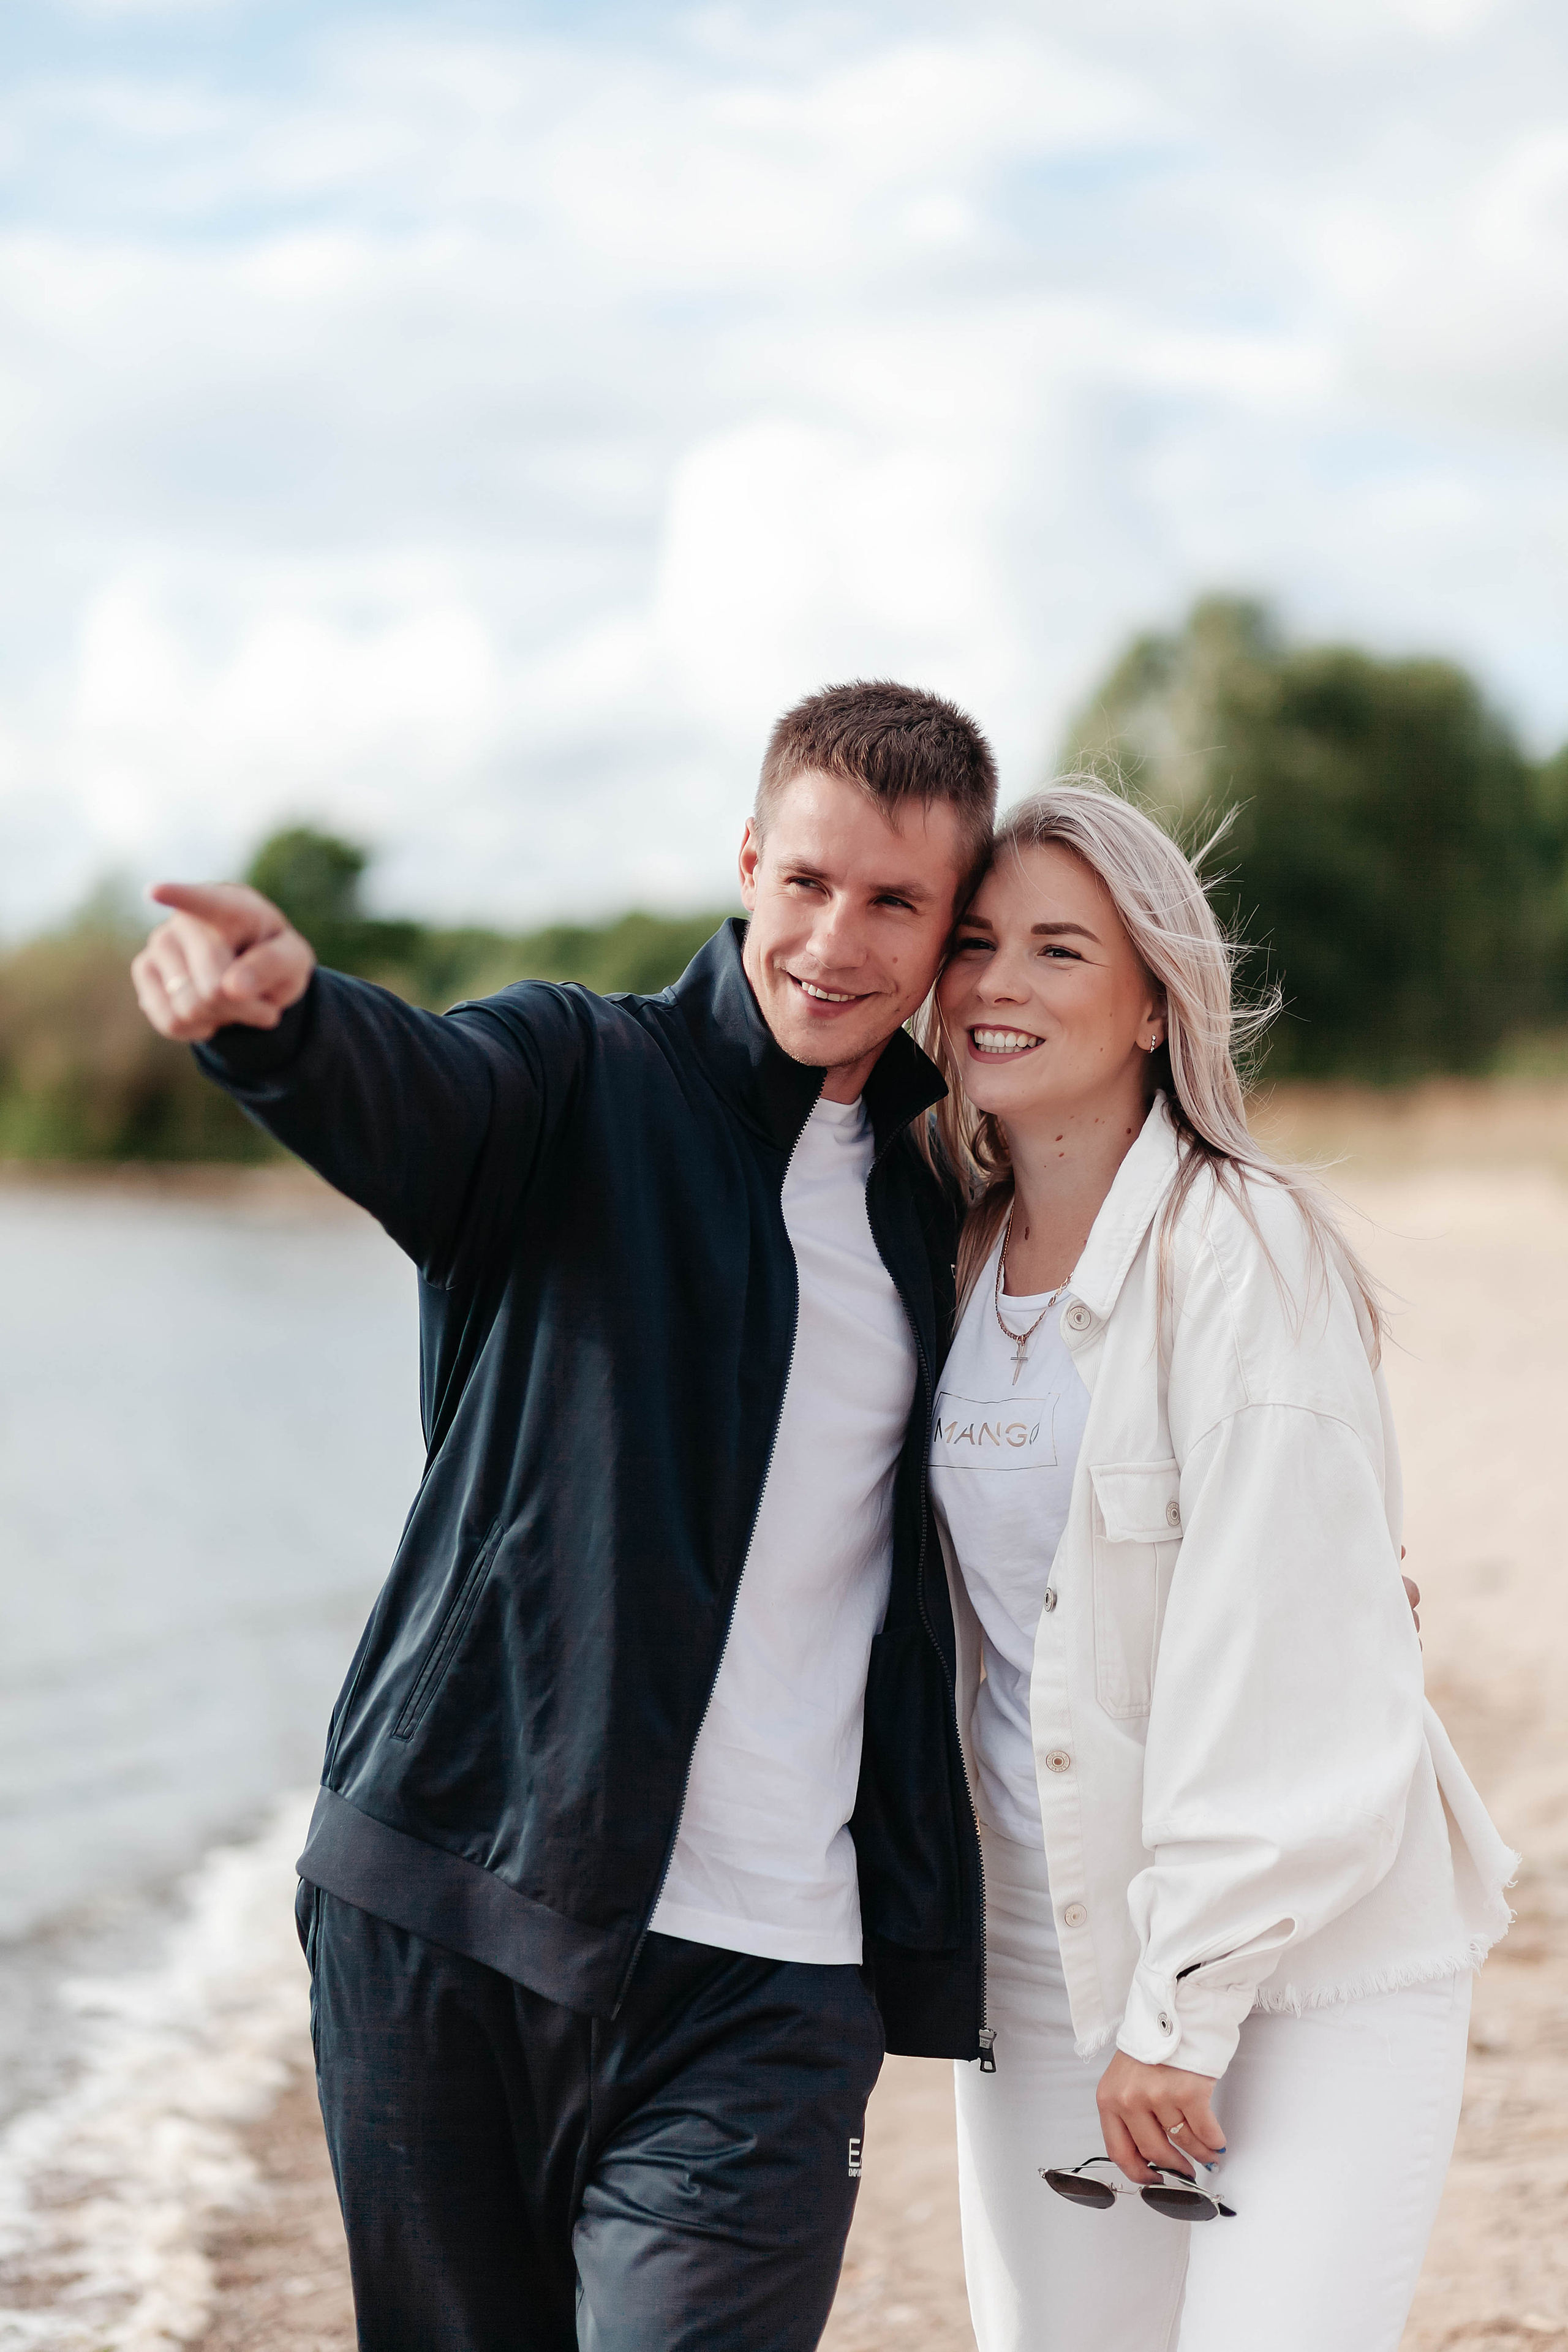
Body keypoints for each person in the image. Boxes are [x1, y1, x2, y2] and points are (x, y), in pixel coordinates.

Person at [128, 682, 997, 2352]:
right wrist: (286, 1022)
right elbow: (418, 1095)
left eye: (896, 901)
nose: (836, 938)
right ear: (749, 859)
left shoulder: (933, 1200)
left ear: (949, 930)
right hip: (455, 1906)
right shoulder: (582, 1077)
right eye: (808, 881)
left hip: (774, 1977)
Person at [920, 781, 1515, 2352]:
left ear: (1148, 1000)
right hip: (1040, 1953)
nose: (998, 984)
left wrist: (1179, 2015)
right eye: (974, 944)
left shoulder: (1239, 1249)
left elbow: (1283, 1662)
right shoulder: (947, 1256)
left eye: (1057, 948)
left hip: (1298, 1955)